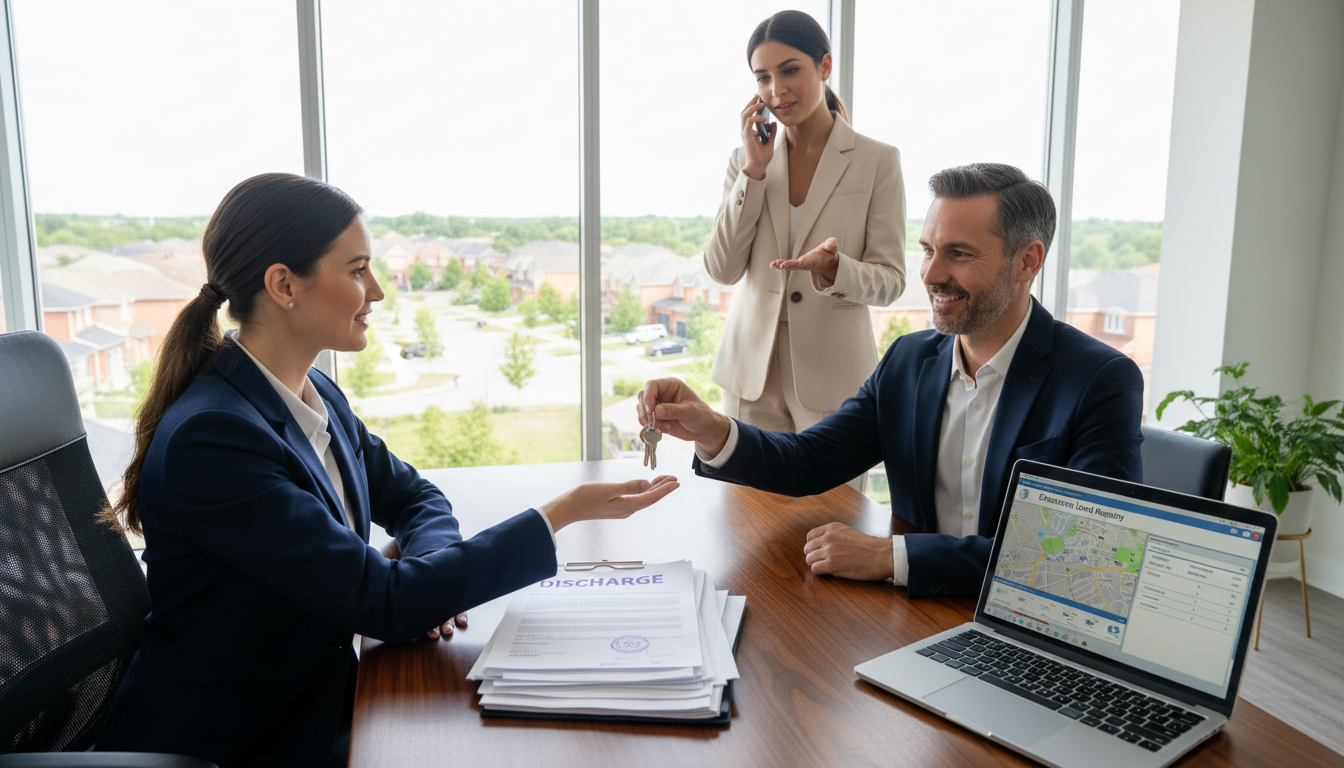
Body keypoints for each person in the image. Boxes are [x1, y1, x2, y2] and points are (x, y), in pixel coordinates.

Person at [95, 173, 679, 767]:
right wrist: (560, 513)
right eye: (356, 270)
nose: (376, 290)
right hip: (238, 744)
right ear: (284, 285)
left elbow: (416, 497)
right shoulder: (214, 439)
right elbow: (385, 605)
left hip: (320, 699)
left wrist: (427, 579)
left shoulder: (314, 393)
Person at [640, 163, 1143, 598]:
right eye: (928, 249)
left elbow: (1083, 556)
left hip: (1029, 628)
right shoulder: (909, 360)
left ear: (1027, 261)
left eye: (959, 254)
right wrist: (712, 429)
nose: (930, 274)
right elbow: (812, 461)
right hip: (914, 617)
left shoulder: (1100, 380)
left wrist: (893, 558)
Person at [707, 10, 906, 445]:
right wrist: (753, 172)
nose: (776, 90)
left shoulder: (877, 161)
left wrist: (835, 270)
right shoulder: (745, 163)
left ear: (825, 66)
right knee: (748, 510)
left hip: (834, 380)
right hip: (749, 375)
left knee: (829, 512)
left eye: (790, 70)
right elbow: (722, 269)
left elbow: (891, 281)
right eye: (762, 77)